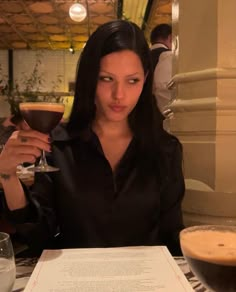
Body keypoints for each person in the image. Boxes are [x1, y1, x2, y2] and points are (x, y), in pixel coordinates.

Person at [0, 20, 185, 256]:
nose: (119, 95)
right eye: (106, 78)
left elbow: (172, 239)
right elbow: (39, 236)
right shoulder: (56, 145)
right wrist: (7, 176)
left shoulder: (165, 149)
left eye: (132, 80)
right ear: (89, 79)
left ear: (146, 79)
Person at [150, 23, 173, 112]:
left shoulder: (141, 57)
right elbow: (163, 89)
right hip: (159, 115)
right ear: (171, 38)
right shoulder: (168, 56)